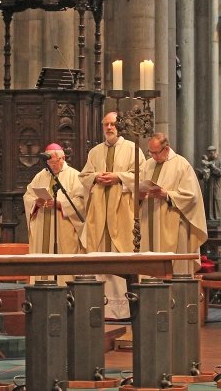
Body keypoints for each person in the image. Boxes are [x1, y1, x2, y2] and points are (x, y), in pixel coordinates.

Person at [79, 111, 144, 319]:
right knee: (99, 253)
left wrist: (118, 177)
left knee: (120, 252)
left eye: (112, 124)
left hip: (122, 211)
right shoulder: (95, 152)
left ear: (119, 127)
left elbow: (142, 176)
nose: (109, 128)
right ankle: (100, 306)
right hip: (99, 212)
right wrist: (97, 176)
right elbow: (84, 176)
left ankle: (123, 309)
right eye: (106, 124)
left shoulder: (133, 149)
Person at [140, 133, 207, 274]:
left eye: (156, 152)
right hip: (149, 222)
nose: (153, 156)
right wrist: (140, 195)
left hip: (173, 224)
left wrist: (167, 194)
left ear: (166, 148)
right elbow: (139, 187)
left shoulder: (181, 165)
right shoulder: (147, 165)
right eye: (150, 152)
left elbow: (191, 196)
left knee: (175, 268)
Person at [23, 143, 85, 256]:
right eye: (49, 162)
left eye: (55, 162)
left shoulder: (74, 176)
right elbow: (28, 196)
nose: (52, 165)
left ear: (63, 158)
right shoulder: (40, 176)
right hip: (41, 226)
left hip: (63, 229)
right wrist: (36, 203)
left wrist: (61, 205)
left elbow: (82, 202)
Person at [196, 145, 221, 223]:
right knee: (207, 201)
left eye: (212, 153)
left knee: (216, 200)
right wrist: (201, 172)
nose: (210, 155)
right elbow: (201, 176)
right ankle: (208, 217)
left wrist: (213, 167)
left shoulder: (220, 161)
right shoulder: (206, 161)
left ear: (215, 153)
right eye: (209, 153)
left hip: (216, 184)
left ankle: (217, 217)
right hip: (208, 185)